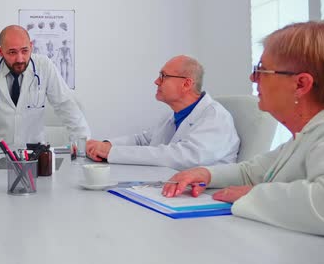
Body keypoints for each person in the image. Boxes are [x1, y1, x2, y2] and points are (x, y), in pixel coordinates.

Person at [162, 22, 324, 236]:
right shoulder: (301, 139)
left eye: (261, 70)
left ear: (301, 85)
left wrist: (251, 195)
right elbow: (249, 172)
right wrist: (206, 174)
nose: (252, 78)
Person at [86, 55, 240, 170]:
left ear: (186, 84)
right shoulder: (173, 114)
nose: (156, 81)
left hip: (204, 197)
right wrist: (106, 145)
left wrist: (112, 152)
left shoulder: (216, 118)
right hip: (169, 186)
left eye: (163, 76)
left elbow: (181, 156)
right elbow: (144, 140)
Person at [0, 25, 90, 147]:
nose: (20, 58)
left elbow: (66, 105)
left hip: (33, 153)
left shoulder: (44, 67)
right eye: (12, 52)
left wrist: (85, 145)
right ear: (0, 51)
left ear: (31, 47)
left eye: (25, 50)